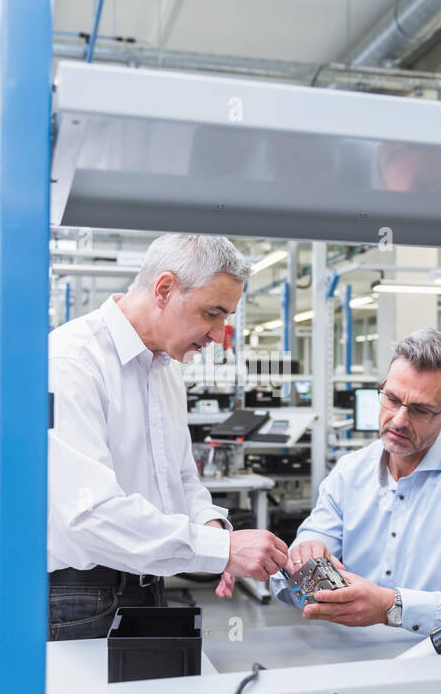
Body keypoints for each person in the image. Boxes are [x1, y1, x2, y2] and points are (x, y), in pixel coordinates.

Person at [47, 234, 289, 640]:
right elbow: (89, 515)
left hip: (148, 581)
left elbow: (180, 478)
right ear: (164, 289)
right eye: (212, 313)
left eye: (226, 316)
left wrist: (214, 531)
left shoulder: (166, 369)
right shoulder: (73, 362)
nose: (218, 334)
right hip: (80, 598)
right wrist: (220, 551)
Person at [272, 328, 441, 634]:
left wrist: (393, 607)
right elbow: (285, 583)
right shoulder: (349, 473)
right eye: (392, 399)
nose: (398, 420)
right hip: (350, 657)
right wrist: (303, 563)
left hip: (438, 656)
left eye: (420, 410)